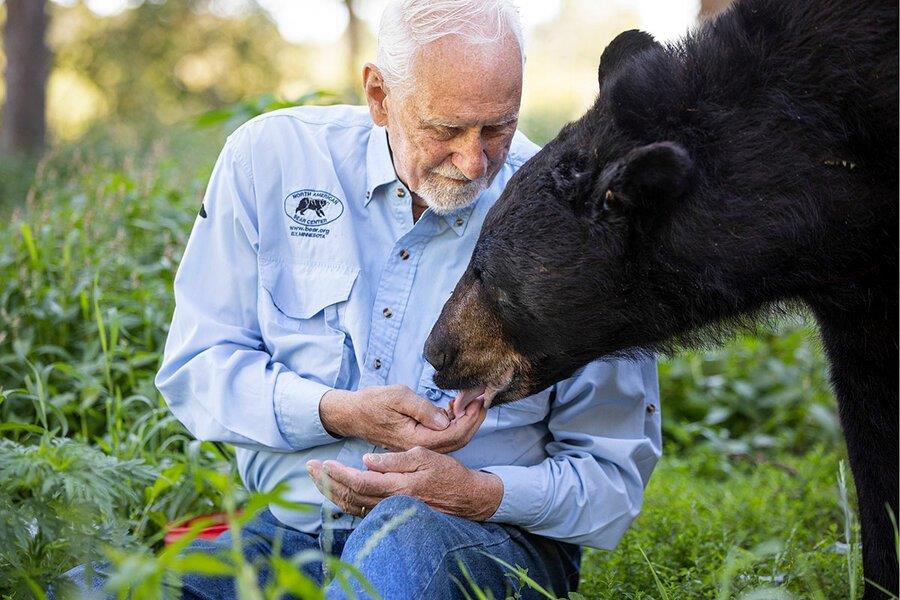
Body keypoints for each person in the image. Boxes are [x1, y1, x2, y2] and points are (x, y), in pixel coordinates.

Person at [61, 0, 661, 598]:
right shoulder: (269, 160)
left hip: (485, 540)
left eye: (498, 128)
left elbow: (611, 479)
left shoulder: (574, 215)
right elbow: (199, 369)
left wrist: (475, 494)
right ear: (379, 95)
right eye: (445, 130)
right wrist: (332, 411)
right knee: (92, 589)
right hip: (291, 535)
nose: (474, 161)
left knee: (403, 547)